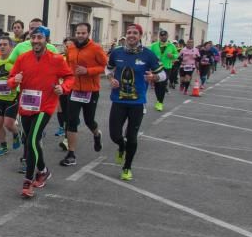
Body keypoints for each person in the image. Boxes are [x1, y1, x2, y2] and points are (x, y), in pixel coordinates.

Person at [8, 26, 73, 198]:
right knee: (30, 141)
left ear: (46, 40)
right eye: (33, 37)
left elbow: (69, 76)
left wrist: (63, 87)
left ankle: (28, 181)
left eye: (39, 37)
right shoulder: (22, 58)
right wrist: (15, 79)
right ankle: (43, 170)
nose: (36, 41)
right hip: (26, 106)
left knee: (31, 142)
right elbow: (10, 81)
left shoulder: (56, 59)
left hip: (45, 106)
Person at [106, 24, 165, 181]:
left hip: (137, 103)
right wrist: (111, 79)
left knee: (132, 137)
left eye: (135, 33)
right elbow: (108, 69)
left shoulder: (148, 55)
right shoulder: (116, 52)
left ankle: (127, 167)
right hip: (118, 100)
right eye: (129, 32)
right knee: (114, 135)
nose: (131, 35)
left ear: (140, 36)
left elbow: (163, 74)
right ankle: (121, 146)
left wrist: (154, 78)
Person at [60, 23, 107, 166]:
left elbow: (105, 66)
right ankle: (71, 154)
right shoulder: (71, 48)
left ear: (88, 33)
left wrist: (88, 71)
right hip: (74, 90)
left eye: (83, 33)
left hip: (90, 90)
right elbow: (68, 65)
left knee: (88, 121)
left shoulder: (96, 48)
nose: (80, 35)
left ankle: (97, 134)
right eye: (78, 33)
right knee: (71, 120)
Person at [0, 35, 21, 156]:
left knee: (8, 123)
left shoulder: (15, 62)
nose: (2, 47)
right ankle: (3, 146)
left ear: (11, 47)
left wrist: (15, 80)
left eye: (5, 44)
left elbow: (21, 77)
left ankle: (16, 133)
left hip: (11, 97)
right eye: (0, 45)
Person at [149, 30, 178, 111]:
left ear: (167, 36)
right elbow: (149, 54)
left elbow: (176, 55)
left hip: (166, 67)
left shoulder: (171, 46)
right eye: (161, 35)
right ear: (159, 36)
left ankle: (160, 103)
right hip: (156, 67)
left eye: (165, 35)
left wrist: (172, 55)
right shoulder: (154, 45)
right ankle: (158, 100)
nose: (163, 37)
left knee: (163, 84)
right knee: (157, 85)